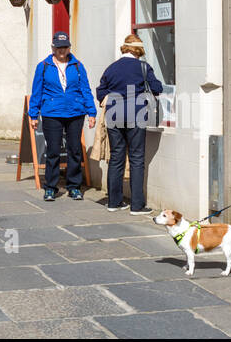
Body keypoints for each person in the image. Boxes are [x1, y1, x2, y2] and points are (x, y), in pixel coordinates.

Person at [95, 34, 162, 215]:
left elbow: (100, 92)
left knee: (116, 157)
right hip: (136, 114)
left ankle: (114, 202)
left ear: (124, 49)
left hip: (114, 115)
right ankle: (137, 205)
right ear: (138, 50)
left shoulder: (111, 68)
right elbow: (157, 88)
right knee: (137, 158)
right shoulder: (143, 67)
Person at [28, 32, 97, 202]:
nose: (61, 50)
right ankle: (50, 188)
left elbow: (85, 89)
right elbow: (36, 91)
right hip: (52, 113)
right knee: (53, 151)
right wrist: (33, 114)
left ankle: (74, 186)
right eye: (58, 47)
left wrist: (91, 112)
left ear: (69, 48)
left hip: (75, 112)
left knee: (74, 150)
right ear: (53, 47)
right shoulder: (43, 66)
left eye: (65, 47)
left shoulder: (77, 66)